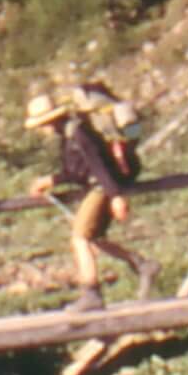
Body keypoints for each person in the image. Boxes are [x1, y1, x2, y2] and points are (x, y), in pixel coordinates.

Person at [25, 86, 150, 310]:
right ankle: (142, 265)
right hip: (101, 186)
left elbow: (98, 166)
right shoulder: (69, 134)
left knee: (79, 238)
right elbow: (76, 171)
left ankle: (92, 295)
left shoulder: (78, 133)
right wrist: (51, 181)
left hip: (102, 188)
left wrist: (115, 196)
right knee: (95, 238)